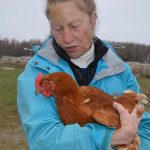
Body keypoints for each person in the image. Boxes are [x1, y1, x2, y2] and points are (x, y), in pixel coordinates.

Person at [17, 0, 150, 149]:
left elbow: (145, 129)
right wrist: (107, 138)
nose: (67, 38)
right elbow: (44, 140)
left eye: (75, 26)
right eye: (58, 28)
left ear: (93, 20)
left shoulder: (119, 69)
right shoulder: (38, 73)